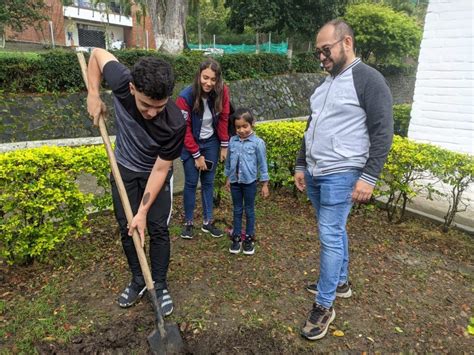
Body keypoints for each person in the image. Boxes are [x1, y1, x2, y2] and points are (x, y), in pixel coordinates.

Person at [294, 19, 393, 341]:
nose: (321, 57)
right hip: (316, 173)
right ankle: (341, 282)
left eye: (326, 50)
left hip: (342, 172)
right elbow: (311, 128)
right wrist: (300, 165)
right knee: (334, 231)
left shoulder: (368, 79)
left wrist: (369, 176)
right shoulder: (324, 86)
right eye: (318, 53)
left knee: (329, 235)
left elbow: (383, 131)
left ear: (346, 42)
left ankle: (324, 305)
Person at [86, 48, 186, 316]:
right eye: (145, 105)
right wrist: (93, 94)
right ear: (131, 88)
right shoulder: (121, 80)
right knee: (128, 228)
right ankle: (139, 280)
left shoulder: (175, 124)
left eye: (160, 106)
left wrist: (142, 212)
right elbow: (96, 54)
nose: (153, 112)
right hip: (124, 169)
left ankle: (160, 285)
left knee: (156, 228)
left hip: (154, 172)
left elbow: (161, 169)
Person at [176, 58, 230, 239]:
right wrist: (196, 154)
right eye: (205, 78)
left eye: (213, 79)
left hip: (212, 142)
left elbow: (223, 117)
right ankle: (189, 223)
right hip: (191, 144)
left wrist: (224, 144)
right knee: (191, 183)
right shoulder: (185, 97)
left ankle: (208, 222)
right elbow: (184, 129)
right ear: (199, 75)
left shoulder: (222, 92)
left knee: (208, 182)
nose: (209, 83)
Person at [224, 108, 269, 255]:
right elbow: (229, 162)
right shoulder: (232, 141)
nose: (242, 130)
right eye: (238, 127)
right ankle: (236, 238)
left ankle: (249, 239)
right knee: (237, 209)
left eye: (245, 126)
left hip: (249, 183)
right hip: (235, 182)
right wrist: (228, 178)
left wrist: (265, 184)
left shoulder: (258, 143)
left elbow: (263, 164)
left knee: (249, 210)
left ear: (251, 124)